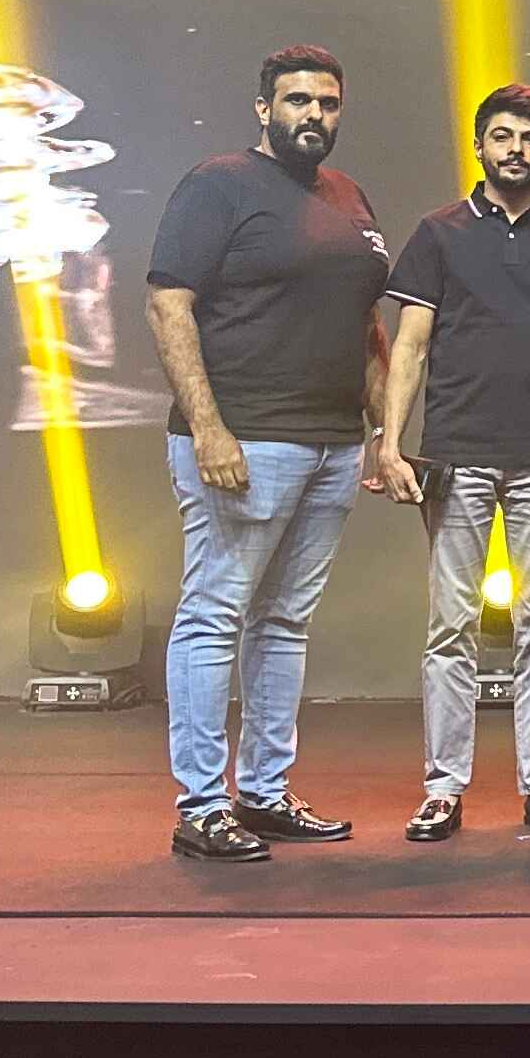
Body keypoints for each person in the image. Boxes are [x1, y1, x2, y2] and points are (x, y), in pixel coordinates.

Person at [142, 43, 391, 866]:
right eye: (297, 100)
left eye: (327, 102)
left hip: (331, 444)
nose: (313, 114)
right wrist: (209, 429)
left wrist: (384, 432)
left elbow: (366, 324)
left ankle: (265, 792)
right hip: (245, 439)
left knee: (284, 623)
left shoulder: (347, 195)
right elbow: (168, 305)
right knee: (214, 615)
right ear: (264, 108)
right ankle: (202, 808)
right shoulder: (218, 184)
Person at [376, 84, 530, 845]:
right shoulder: (437, 234)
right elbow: (410, 346)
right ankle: (442, 791)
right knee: (450, 630)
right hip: (456, 457)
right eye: (503, 136)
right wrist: (390, 444)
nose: (516, 150)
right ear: (479, 145)